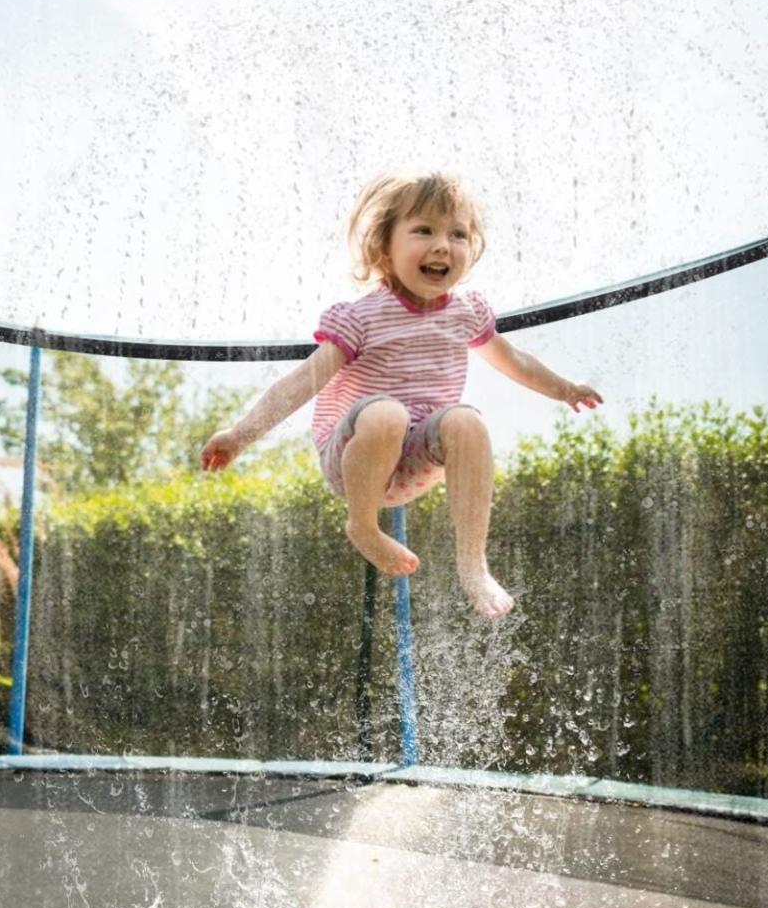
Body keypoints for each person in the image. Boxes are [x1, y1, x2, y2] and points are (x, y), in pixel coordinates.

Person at [200, 173, 602, 619]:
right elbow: (302, 382)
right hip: (353, 457)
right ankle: (364, 524)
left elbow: (515, 361)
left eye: (458, 233)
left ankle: (473, 564)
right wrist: (240, 435)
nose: (443, 245)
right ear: (384, 249)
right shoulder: (361, 317)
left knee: (466, 420)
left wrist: (564, 388)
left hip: (415, 461)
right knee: (386, 412)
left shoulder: (467, 313)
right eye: (423, 230)